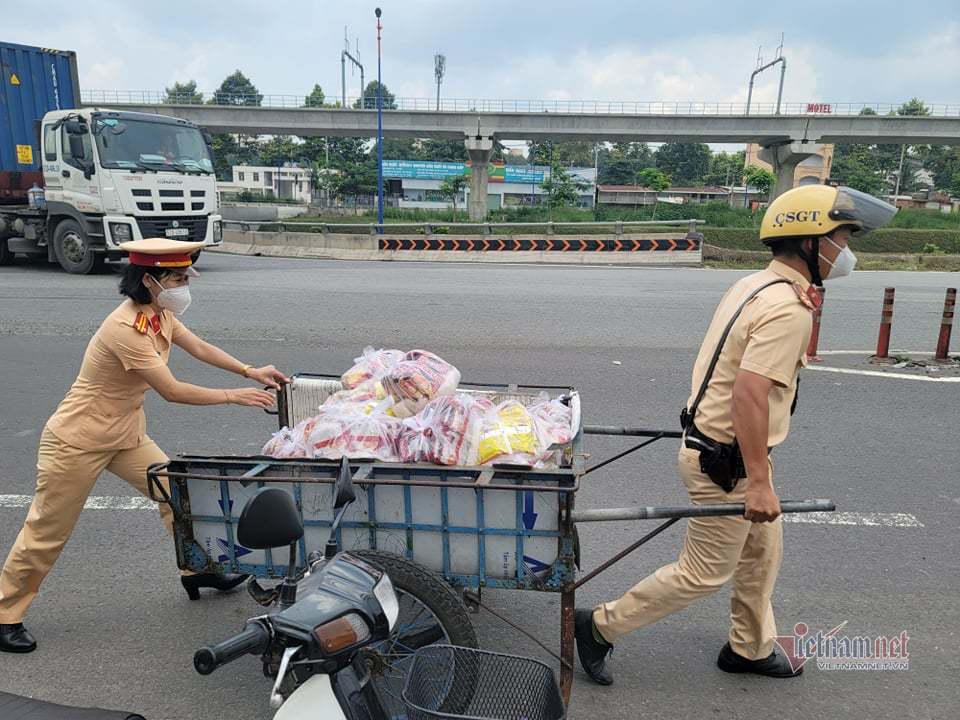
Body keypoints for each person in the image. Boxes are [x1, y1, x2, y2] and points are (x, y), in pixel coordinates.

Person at [574, 185, 898, 684]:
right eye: (842, 237)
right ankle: (599, 626)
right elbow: (749, 395)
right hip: (726, 464)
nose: (846, 250)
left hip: (723, 450)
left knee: (762, 553)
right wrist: (761, 481)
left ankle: (749, 647)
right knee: (704, 572)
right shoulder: (786, 309)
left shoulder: (754, 285)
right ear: (811, 242)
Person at [0, 238, 290, 654]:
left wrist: (249, 370)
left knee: (178, 496)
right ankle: (5, 614)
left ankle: (197, 569)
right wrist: (234, 395)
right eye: (176, 277)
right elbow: (171, 391)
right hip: (77, 440)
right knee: (48, 529)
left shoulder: (158, 314)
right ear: (150, 281)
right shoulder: (125, 329)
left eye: (185, 275)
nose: (185, 284)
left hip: (125, 434)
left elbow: (199, 346)